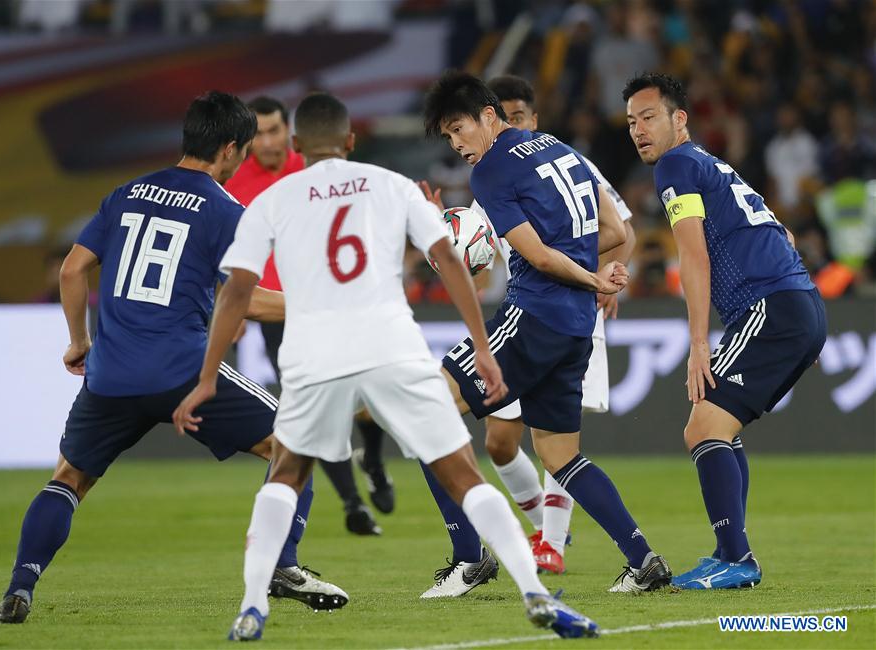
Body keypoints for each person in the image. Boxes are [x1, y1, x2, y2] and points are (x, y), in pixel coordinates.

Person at [173, 92, 598, 642]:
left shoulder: (272, 200)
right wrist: (484, 347)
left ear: (298, 147)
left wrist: (208, 376)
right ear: (351, 143)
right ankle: (535, 594)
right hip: (389, 344)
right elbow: (448, 259)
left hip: (314, 353)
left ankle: (253, 605)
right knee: (463, 473)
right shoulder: (391, 185)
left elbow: (236, 292)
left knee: (284, 475)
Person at [0, 91, 346, 626]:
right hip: (181, 370)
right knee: (295, 440)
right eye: (242, 151)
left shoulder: (125, 193)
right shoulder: (226, 210)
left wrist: (79, 342)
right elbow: (245, 298)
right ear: (228, 148)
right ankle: (282, 565)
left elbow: (71, 271)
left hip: (109, 375)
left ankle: (18, 590)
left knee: (68, 478)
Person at [421, 70, 671, 595]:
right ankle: (643, 559)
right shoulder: (559, 148)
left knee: (426, 414)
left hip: (532, 318)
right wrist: (600, 277)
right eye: (448, 137)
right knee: (560, 456)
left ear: (488, 116)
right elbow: (618, 232)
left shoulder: (492, 172)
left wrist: (590, 275)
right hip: (577, 327)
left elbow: (535, 256)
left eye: (458, 129)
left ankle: (470, 560)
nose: (457, 144)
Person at [623, 72, 827, 589]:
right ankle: (729, 553)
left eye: (649, 117)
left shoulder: (675, 165)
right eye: (631, 122)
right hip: (796, 304)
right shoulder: (711, 165)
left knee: (703, 427)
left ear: (680, 119)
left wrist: (698, 344)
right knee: (720, 426)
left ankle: (736, 558)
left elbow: (692, 254)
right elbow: (780, 230)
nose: (639, 130)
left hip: (771, 305)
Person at [225, 96, 389, 535]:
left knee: (365, 401)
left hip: (333, 301)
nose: (267, 140)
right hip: (279, 312)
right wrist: (233, 305)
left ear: (289, 133)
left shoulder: (315, 167)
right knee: (318, 407)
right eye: (257, 133)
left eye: (274, 130)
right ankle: (354, 503)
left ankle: (371, 456)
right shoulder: (236, 183)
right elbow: (229, 250)